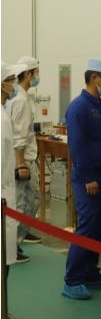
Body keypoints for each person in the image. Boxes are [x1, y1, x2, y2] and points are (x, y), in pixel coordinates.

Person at [62, 59, 101, 300]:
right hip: (90, 177)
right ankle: (72, 280)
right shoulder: (78, 107)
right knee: (87, 227)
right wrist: (87, 177)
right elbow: (77, 145)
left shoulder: (100, 105)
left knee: (99, 227)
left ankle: (90, 271)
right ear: (95, 78)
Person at [7, 56, 42, 262]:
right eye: (36, 72)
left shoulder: (18, 98)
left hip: (19, 158)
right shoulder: (20, 100)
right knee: (26, 202)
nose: (37, 76)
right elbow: (19, 135)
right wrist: (21, 164)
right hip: (22, 160)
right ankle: (13, 244)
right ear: (28, 74)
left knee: (25, 201)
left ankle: (18, 237)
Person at [2, 61, 27, 319]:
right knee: (2, 260)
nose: (13, 84)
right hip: (2, 196)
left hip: (5, 194)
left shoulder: (4, 113)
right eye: (10, 80)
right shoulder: (1, 119)